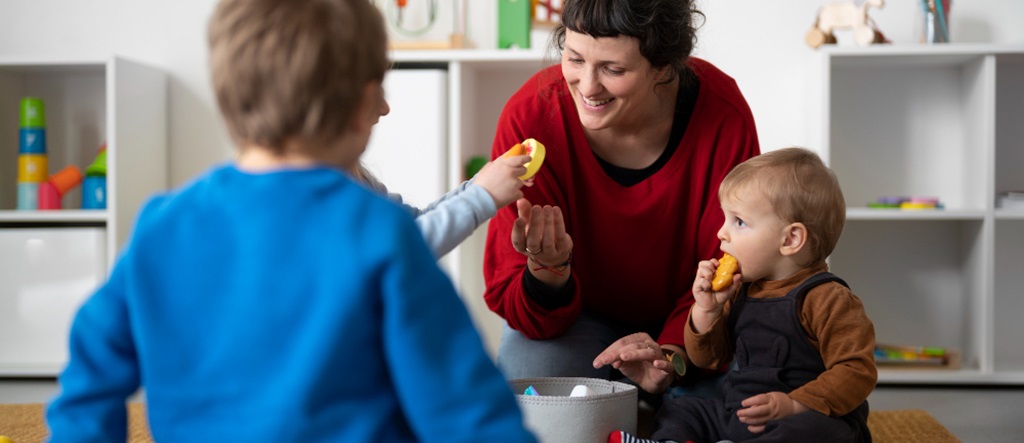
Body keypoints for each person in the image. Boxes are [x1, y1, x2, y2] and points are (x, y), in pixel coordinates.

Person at [46, 0, 537, 441]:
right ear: (358, 105)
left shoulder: (163, 225)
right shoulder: (379, 235)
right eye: (379, 94)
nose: (385, 108)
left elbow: (89, 384)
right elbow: (464, 405)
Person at [483, 0, 760, 391]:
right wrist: (548, 271)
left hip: (698, 318)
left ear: (663, 66)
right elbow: (517, 302)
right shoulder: (530, 116)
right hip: (576, 320)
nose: (588, 86)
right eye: (575, 59)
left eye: (613, 69)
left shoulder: (722, 114)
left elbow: (733, 263)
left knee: (759, 389)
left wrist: (674, 352)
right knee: (531, 386)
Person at [609, 147, 877, 443]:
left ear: (790, 239)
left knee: (813, 433)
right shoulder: (742, 291)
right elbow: (708, 359)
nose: (721, 233)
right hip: (738, 414)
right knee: (681, 409)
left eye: (739, 222)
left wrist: (793, 404)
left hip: (804, 417)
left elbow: (856, 371)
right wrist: (706, 311)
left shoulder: (828, 298)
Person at [351, 92, 531, 258]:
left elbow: (414, 226)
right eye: (375, 89)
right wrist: (483, 195)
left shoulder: (360, 178)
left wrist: (484, 181)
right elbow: (404, 248)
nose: (385, 108)